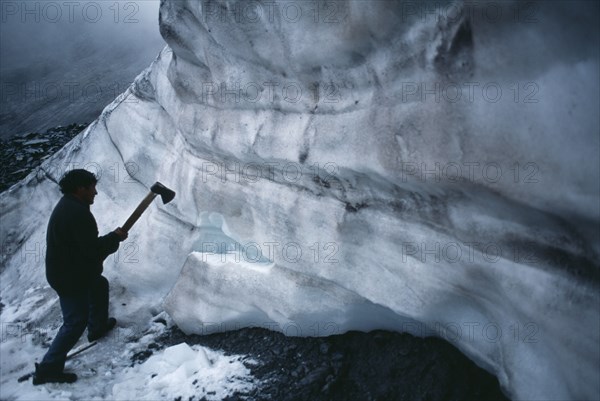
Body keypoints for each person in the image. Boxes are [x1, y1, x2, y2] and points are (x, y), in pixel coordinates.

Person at [33, 169, 128, 385]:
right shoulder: (77, 213)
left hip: (69, 270)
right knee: (75, 321)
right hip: (69, 276)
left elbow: (85, 248)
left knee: (99, 284)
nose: (96, 193)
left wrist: (112, 238)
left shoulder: (70, 205)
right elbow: (91, 250)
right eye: (92, 188)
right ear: (80, 189)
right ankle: (48, 368)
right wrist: (114, 238)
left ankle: (97, 327)